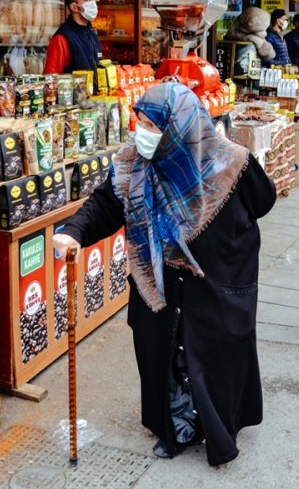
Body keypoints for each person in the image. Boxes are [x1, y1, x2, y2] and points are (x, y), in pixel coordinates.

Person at [52, 82, 276, 466]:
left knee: (216, 349)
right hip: (158, 280)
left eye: (151, 126)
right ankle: (173, 428)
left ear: (179, 126)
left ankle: (218, 425)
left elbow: (263, 199)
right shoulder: (133, 163)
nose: (141, 132)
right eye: (138, 122)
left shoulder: (231, 160)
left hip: (218, 277)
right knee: (162, 350)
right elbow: (105, 204)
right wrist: (73, 232)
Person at [44, 0, 103, 75]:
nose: (92, 3)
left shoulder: (91, 33)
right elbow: (51, 76)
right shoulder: (62, 38)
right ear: (74, 7)